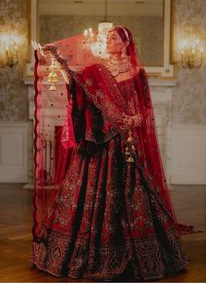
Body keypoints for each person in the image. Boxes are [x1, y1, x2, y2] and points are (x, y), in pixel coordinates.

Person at [30, 25, 193, 281]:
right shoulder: (96, 69)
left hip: (124, 144)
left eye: (113, 37)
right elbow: (76, 86)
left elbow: (147, 107)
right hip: (97, 143)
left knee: (131, 192)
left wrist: (135, 120)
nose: (108, 40)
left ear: (126, 43)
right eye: (107, 37)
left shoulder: (138, 73)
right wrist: (59, 62)